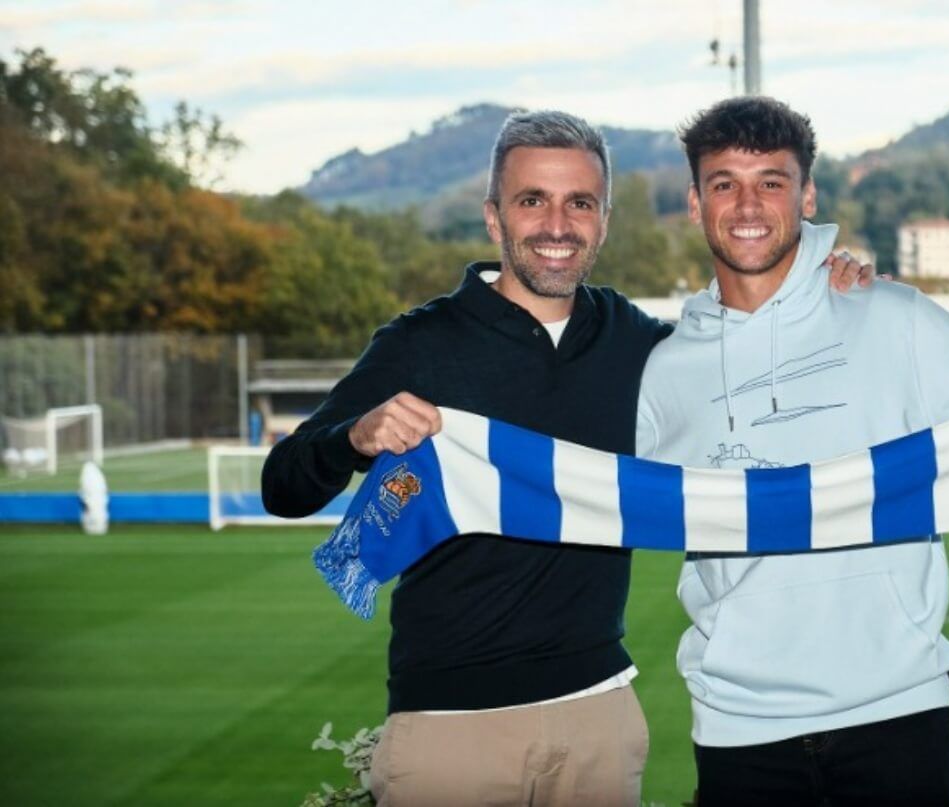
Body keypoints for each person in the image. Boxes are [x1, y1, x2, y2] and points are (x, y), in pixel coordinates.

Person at [260, 109, 872, 807]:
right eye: (532, 201)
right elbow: (283, 486)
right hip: (450, 725)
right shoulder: (419, 343)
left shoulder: (636, 342)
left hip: (598, 719)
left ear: (604, 219)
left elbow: (756, 375)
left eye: (579, 202)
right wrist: (354, 435)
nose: (557, 224)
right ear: (495, 217)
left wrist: (830, 298)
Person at [635, 96, 949, 807]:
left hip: (896, 715)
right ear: (693, 201)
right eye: (724, 183)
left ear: (807, 195)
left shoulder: (894, 317)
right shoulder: (662, 369)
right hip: (740, 728)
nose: (748, 204)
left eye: (771, 182)